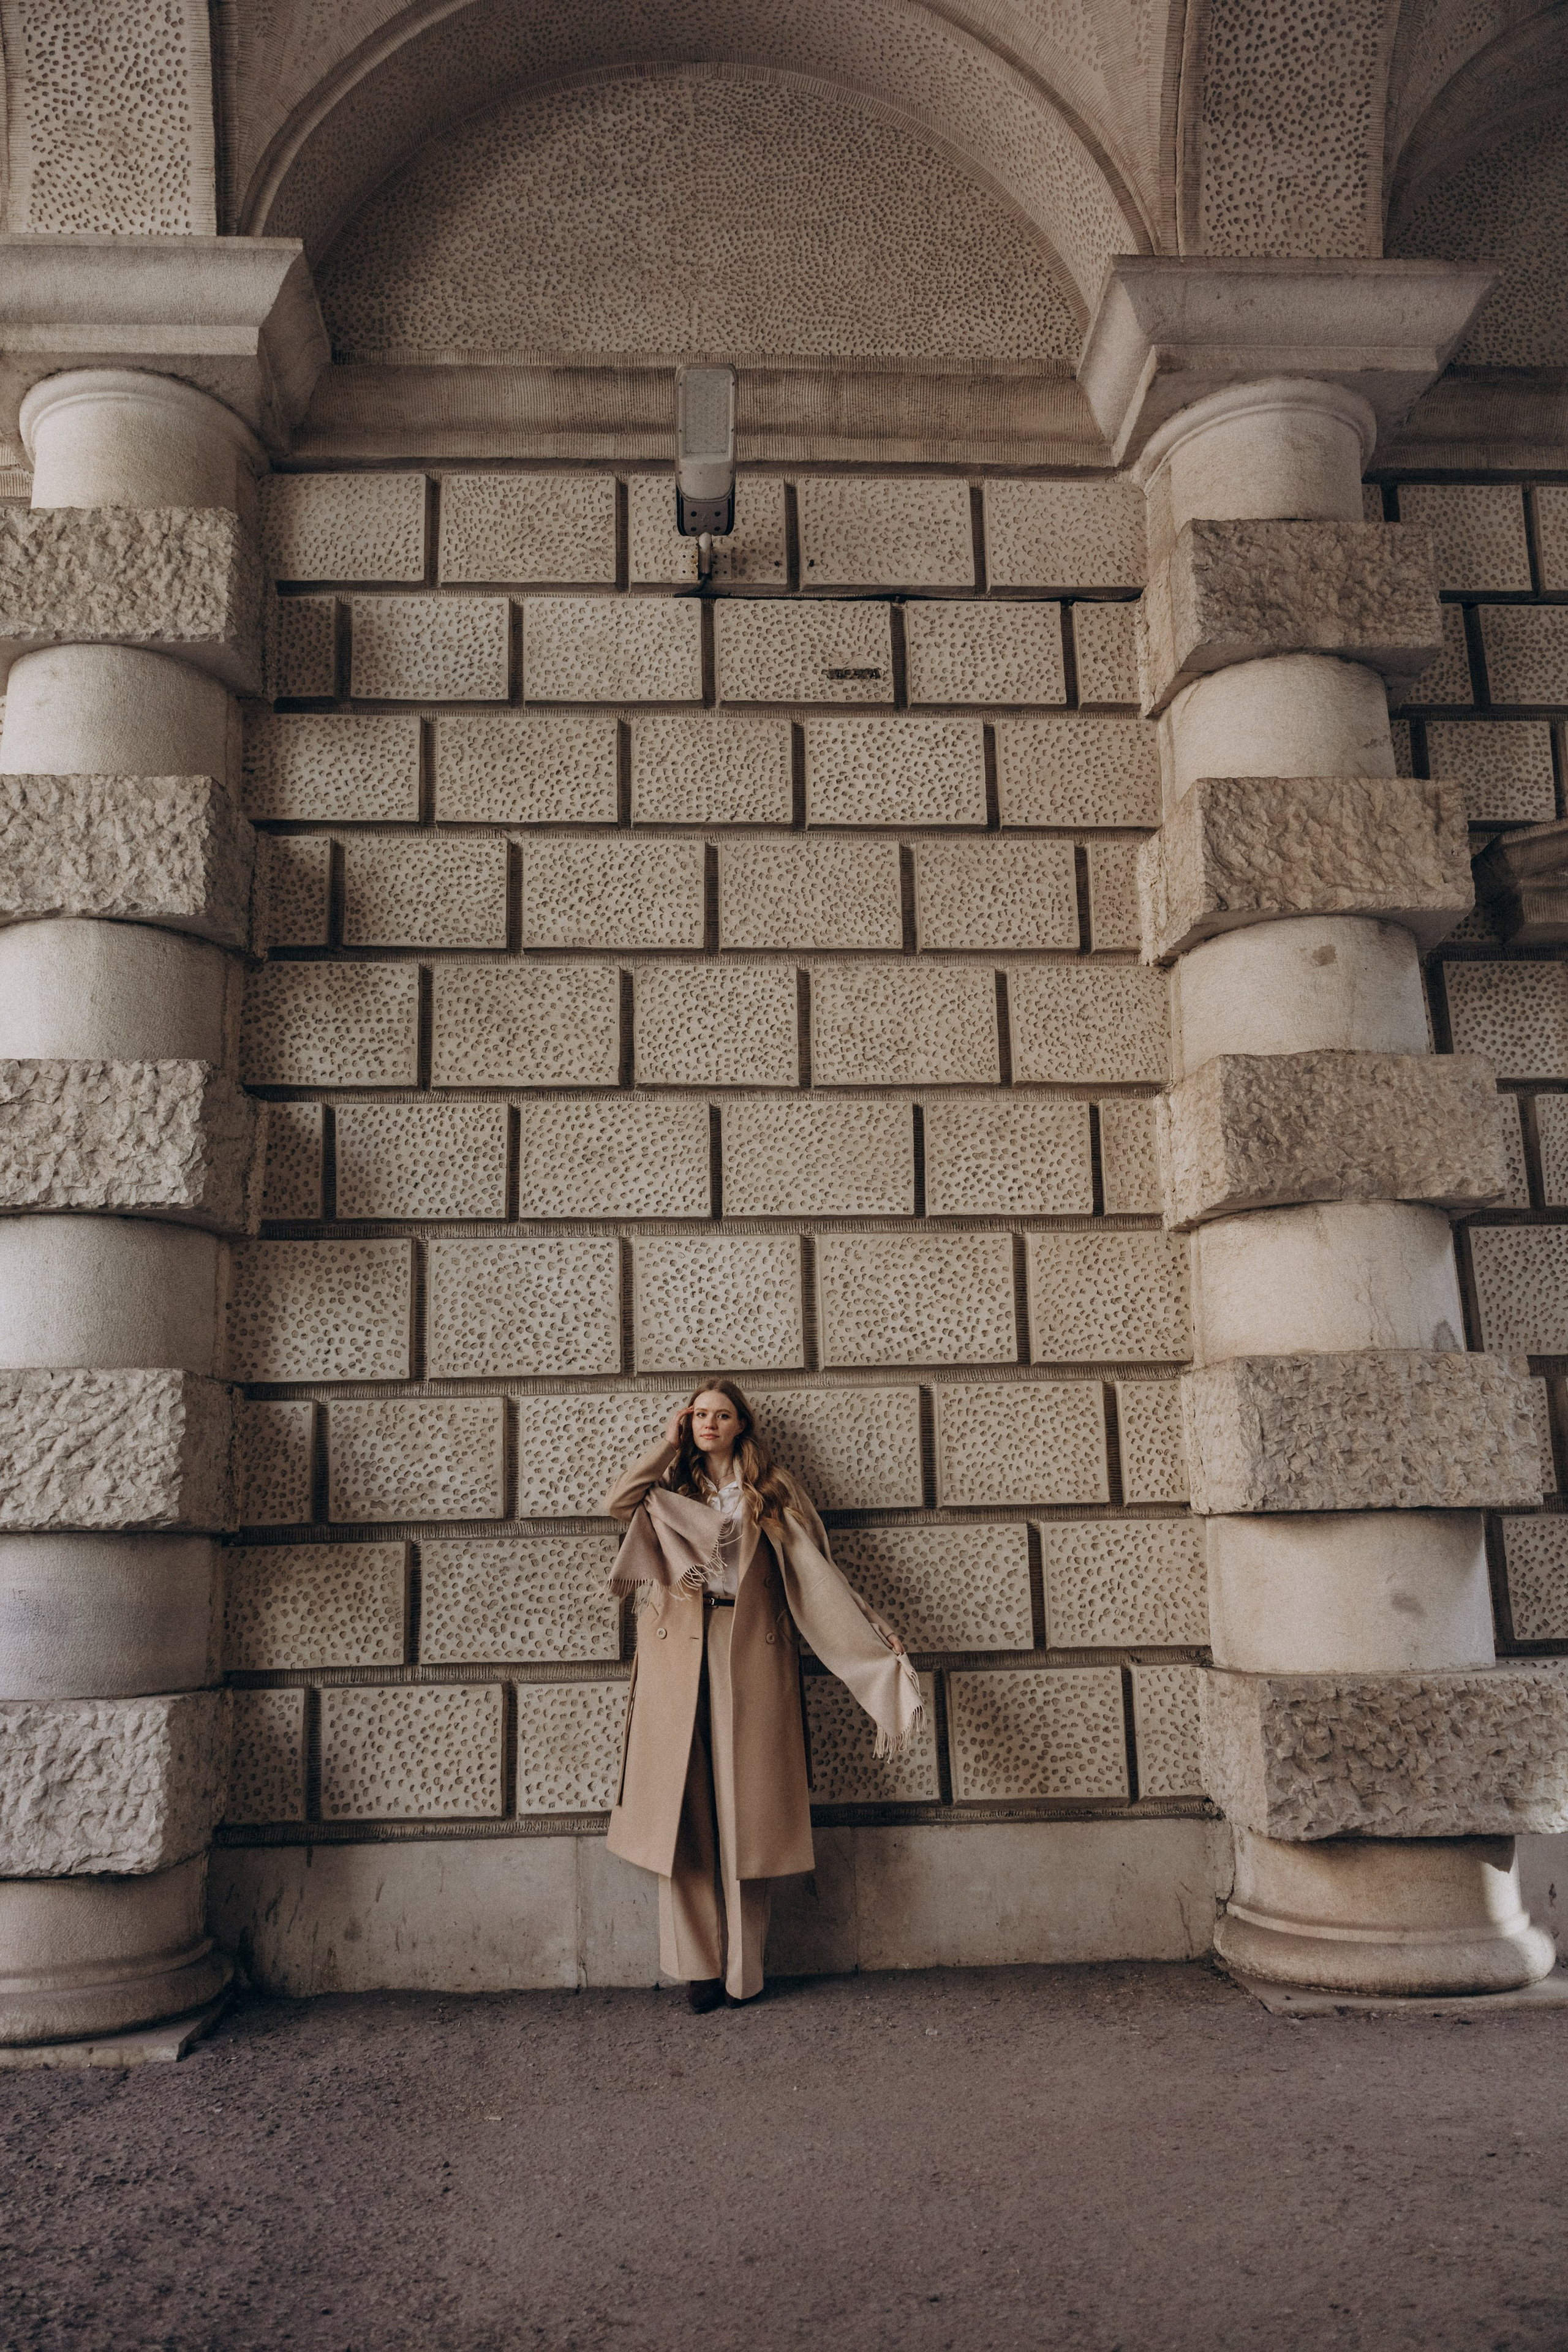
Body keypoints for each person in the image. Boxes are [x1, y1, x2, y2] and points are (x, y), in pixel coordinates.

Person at [603, 1378, 922, 2012]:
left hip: (752, 1653)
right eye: (698, 1415)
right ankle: (696, 1969)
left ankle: (744, 1973)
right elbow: (618, 1502)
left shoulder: (771, 1491)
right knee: (681, 1816)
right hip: (677, 1658)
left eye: (721, 1415)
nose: (708, 1424)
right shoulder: (671, 1492)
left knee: (746, 1818)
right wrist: (664, 1447)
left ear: (742, 1424)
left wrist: (875, 1632)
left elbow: (818, 1570)